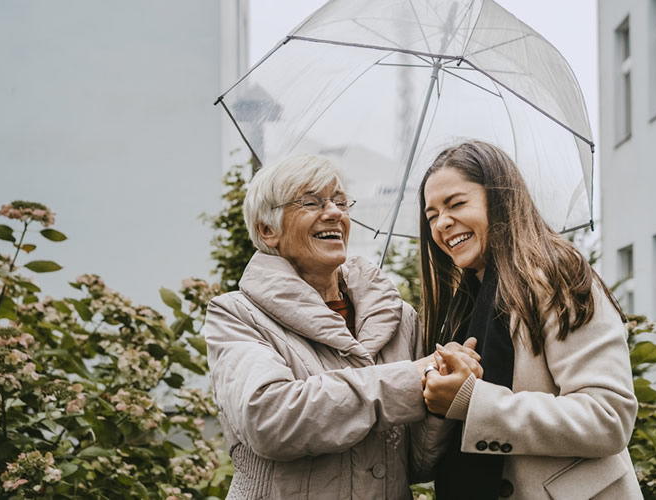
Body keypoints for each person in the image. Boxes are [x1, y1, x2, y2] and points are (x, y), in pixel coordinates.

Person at [203, 154, 478, 499]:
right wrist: (411, 378)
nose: (334, 213)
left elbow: (417, 464)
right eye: (311, 202)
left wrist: (441, 388)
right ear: (267, 230)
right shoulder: (237, 314)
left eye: (341, 202)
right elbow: (269, 420)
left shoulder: (399, 317)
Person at [418, 141, 642, 499]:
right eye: (431, 216)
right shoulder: (464, 305)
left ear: (500, 198)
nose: (443, 223)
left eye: (456, 204)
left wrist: (472, 400)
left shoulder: (557, 277)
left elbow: (608, 417)